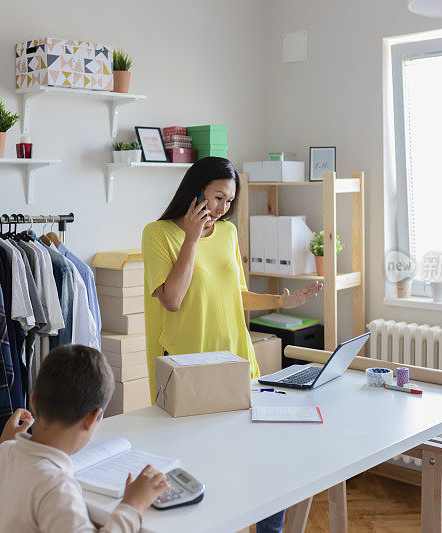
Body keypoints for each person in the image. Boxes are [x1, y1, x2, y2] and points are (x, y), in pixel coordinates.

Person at [141, 157, 323, 533]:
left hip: (238, 362)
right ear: (195, 191)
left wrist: (281, 302)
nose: (223, 208)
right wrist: (191, 238)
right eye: (217, 197)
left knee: (267, 461)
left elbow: (236, 294)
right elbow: (172, 299)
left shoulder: (226, 233)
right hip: (187, 371)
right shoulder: (158, 234)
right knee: (200, 470)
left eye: (229, 201)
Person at [0, 345, 169, 532]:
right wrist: (132, 505)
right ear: (92, 418)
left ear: (33, 400)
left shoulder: (0, 454)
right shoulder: (57, 488)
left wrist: (1, 446)